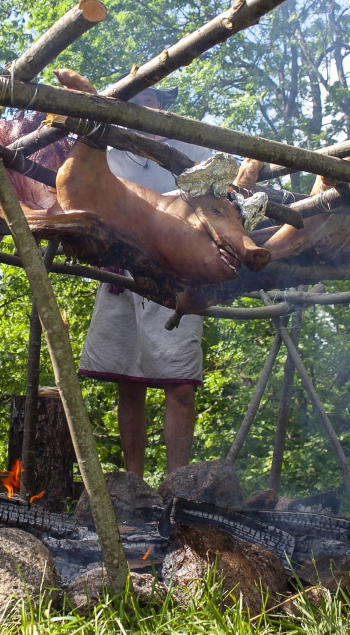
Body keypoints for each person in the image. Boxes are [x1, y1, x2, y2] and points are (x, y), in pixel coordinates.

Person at [78, 86, 211, 477]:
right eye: (134, 107)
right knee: (128, 379)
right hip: (120, 274)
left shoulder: (196, 150)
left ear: (162, 110)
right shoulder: (110, 153)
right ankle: (134, 482)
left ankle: (176, 484)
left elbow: (219, 202)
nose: (143, 113)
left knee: (180, 382)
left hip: (176, 273)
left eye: (150, 105)